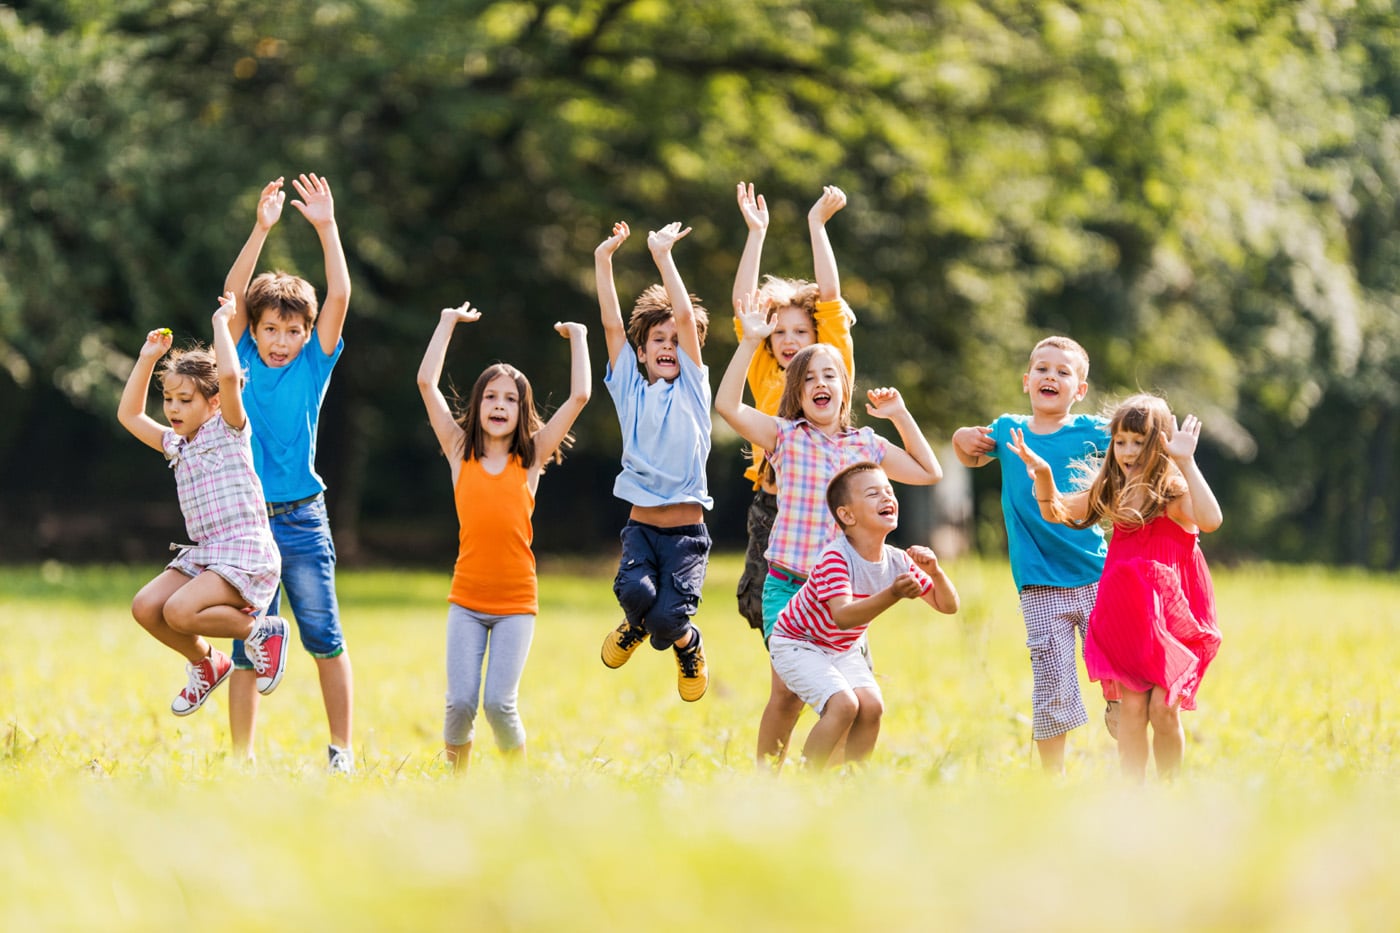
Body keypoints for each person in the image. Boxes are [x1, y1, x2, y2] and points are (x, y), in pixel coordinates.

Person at [716, 298, 944, 768]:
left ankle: (834, 786)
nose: (820, 384)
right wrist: (751, 341)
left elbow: (928, 471)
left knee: (852, 701)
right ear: (797, 393)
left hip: (845, 595)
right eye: (809, 379)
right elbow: (726, 405)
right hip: (789, 588)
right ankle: (765, 782)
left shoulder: (865, 445)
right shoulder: (785, 436)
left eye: (829, 376)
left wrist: (899, 414)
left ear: (845, 388)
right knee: (787, 694)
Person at [1008, 394, 1222, 781]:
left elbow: (1210, 519)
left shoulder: (1172, 496)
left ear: (1158, 444)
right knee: (1133, 709)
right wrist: (1043, 476)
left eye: (1138, 442)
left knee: (1163, 708)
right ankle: (1132, 795)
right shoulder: (1115, 492)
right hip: (1129, 616)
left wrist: (1186, 462)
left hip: (1172, 617)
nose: (1127, 451)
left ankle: (1171, 787)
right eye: (1120, 441)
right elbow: (1055, 510)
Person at [416, 301, 591, 773]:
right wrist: (446, 322)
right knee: (459, 703)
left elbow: (578, 397)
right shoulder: (458, 449)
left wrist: (578, 337)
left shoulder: (531, 457)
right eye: (491, 396)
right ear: (477, 404)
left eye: (511, 399)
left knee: (498, 703)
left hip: (516, 603)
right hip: (466, 601)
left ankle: (517, 784)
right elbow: (427, 383)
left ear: (523, 410)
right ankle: (456, 785)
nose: (499, 405)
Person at [222, 173, 355, 772]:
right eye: (270, 329)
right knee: (248, 644)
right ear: (254, 332)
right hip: (247, 525)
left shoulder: (313, 365)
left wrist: (327, 228)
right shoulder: (242, 356)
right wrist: (261, 228)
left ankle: (341, 752)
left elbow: (339, 298)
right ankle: (241, 758)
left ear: (307, 335)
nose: (281, 340)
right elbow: (233, 298)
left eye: (292, 331)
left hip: (302, 518)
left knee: (324, 635)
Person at [118, 294, 290, 721]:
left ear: (211, 403)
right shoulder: (176, 445)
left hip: (246, 550)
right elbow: (129, 414)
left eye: (185, 400)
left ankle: (261, 630)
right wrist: (146, 357)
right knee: (146, 607)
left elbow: (229, 377)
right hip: (207, 553)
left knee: (179, 611)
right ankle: (207, 663)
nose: (174, 408)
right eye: (170, 399)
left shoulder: (229, 431)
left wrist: (221, 322)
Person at [950, 336, 1112, 775]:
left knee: (1116, 666)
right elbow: (970, 456)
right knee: (1052, 683)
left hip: (1097, 573)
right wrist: (961, 437)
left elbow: (1137, 442)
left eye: (1063, 372)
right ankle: (1051, 779)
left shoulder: (1093, 430)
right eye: (1042, 369)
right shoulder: (1007, 430)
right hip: (1039, 581)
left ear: (1079, 390)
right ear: (1027, 381)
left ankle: (1124, 724)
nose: (1051, 376)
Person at [770, 462, 959, 769]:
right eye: (873, 493)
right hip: (797, 644)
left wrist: (935, 572)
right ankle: (809, 785)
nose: (887, 498)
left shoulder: (897, 560)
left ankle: (848, 782)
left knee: (871, 706)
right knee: (843, 704)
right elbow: (843, 616)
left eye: (889, 491)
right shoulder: (836, 557)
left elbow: (947, 605)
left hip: (841, 648)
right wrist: (892, 594)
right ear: (847, 515)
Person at [594, 219, 713, 701]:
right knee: (638, 597)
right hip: (641, 528)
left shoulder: (693, 388)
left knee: (668, 621)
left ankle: (688, 644)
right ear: (640, 353)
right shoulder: (628, 389)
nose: (668, 346)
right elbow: (609, 325)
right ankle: (634, 623)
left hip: (686, 536)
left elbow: (685, 320)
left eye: (674, 341)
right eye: (657, 341)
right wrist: (603, 262)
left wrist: (664, 257)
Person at [730, 182, 856, 635]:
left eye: (800, 332)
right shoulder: (766, 373)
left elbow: (830, 296)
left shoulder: (831, 367)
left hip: (828, 505)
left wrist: (816, 224)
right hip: (773, 504)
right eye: (779, 332)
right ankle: (797, 676)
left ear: (817, 339)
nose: (787, 340)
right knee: (763, 606)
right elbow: (744, 307)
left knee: (833, 605)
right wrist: (756, 233)